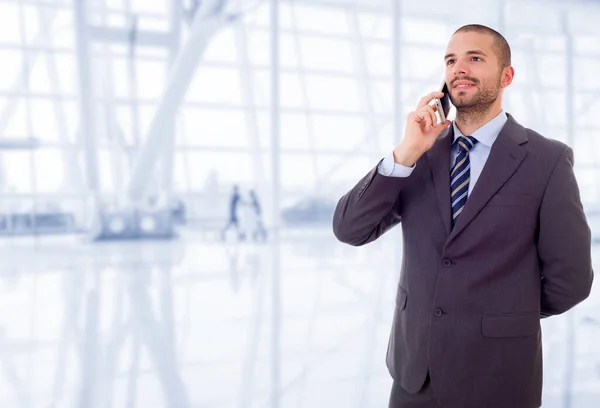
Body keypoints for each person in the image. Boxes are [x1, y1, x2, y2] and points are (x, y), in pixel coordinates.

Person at [332, 24, 594, 408]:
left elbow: (571, 280)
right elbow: (349, 229)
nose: (459, 68)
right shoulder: (420, 155)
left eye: (475, 58)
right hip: (414, 377)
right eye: (451, 60)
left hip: (499, 376)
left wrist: (504, 312)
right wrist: (406, 152)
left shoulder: (547, 160)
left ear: (507, 76)